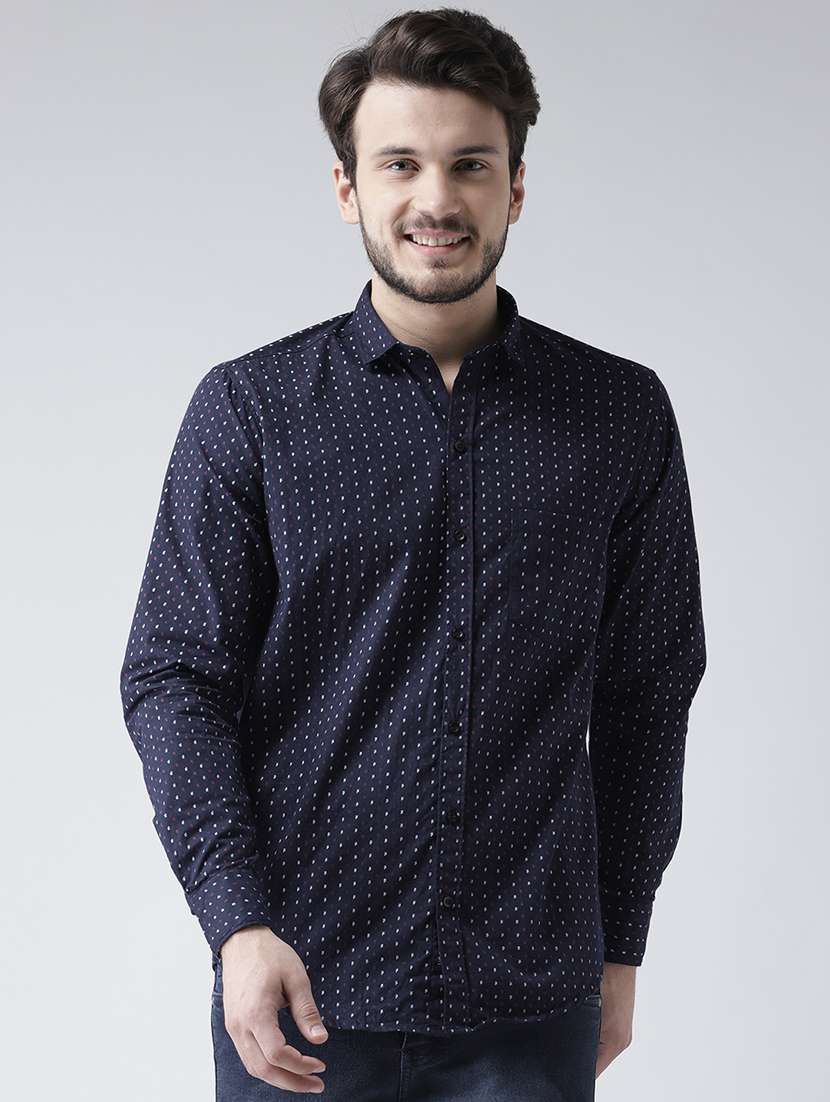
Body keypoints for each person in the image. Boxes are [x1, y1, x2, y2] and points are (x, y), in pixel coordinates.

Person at [119, 8, 707, 1100]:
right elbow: (175, 679)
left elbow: (648, 690)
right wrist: (236, 923)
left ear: (514, 188)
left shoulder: (618, 414)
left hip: (529, 1004)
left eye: (469, 164)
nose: (435, 199)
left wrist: (620, 944)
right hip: (298, 988)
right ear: (347, 187)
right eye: (400, 163)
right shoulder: (250, 411)